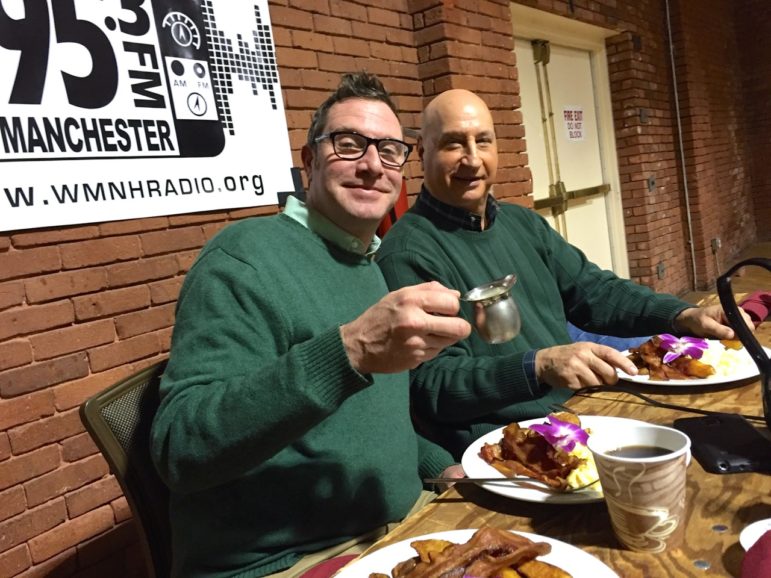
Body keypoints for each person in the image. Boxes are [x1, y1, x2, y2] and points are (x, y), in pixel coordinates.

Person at [150, 73, 471, 578]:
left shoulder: (367, 263)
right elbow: (181, 448)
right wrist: (348, 353)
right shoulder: (243, 259)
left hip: (397, 531)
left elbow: (367, 427)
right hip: (287, 561)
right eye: (349, 145)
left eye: (389, 151)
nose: (372, 166)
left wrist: (440, 466)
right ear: (309, 161)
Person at [376, 88, 754, 458]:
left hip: (582, 411)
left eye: (484, 141)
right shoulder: (409, 252)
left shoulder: (522, 224)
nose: (473, 159)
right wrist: (538, 366)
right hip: (509, 447)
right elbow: (431, 386)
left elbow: (596, 293)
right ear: (423, 153)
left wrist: (682, 315)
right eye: (454, 144)